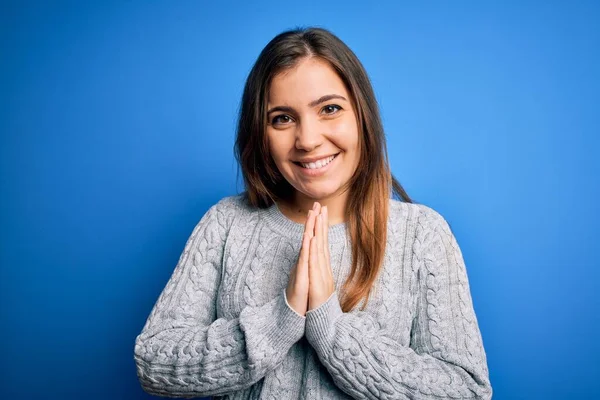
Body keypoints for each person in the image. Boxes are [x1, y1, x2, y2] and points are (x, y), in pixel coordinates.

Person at [133, 27, 493, 399]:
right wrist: (279, 319)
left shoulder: (423, 234)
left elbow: (467, 392)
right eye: (282, 118)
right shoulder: (226, 223)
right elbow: (153, 362)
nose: (307, 139)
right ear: (261, 132)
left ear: (362, 116)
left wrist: (330, 328)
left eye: (330, 109)